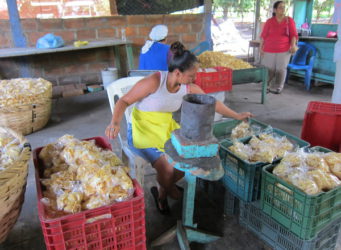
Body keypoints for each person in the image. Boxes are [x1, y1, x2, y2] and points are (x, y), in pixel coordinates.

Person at [106, 41, 252, 214]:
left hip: (166, 128)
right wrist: (115, 122)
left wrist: (237, 116)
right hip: (143, 130)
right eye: (191, 75)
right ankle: (164, 196)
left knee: (187, 162)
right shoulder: (154, 82)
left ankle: (164, 188)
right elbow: (124, 101)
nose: (194, 79)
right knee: (167, 168)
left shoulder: (187, 87)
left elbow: (212, 104)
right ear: (177, 72)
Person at [260, 1, 298, 94]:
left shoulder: (289, 20)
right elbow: (263, 35)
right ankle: (267, 85)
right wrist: (261, 47)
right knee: (269, 69)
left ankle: (278, 87)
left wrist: (293, 45)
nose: (283, 9)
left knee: (281, 69)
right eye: (280, 7)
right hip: (269, 48)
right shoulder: (269, 21)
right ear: (275, 9)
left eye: (284, 7)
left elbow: (293, 35)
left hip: (284, 49)